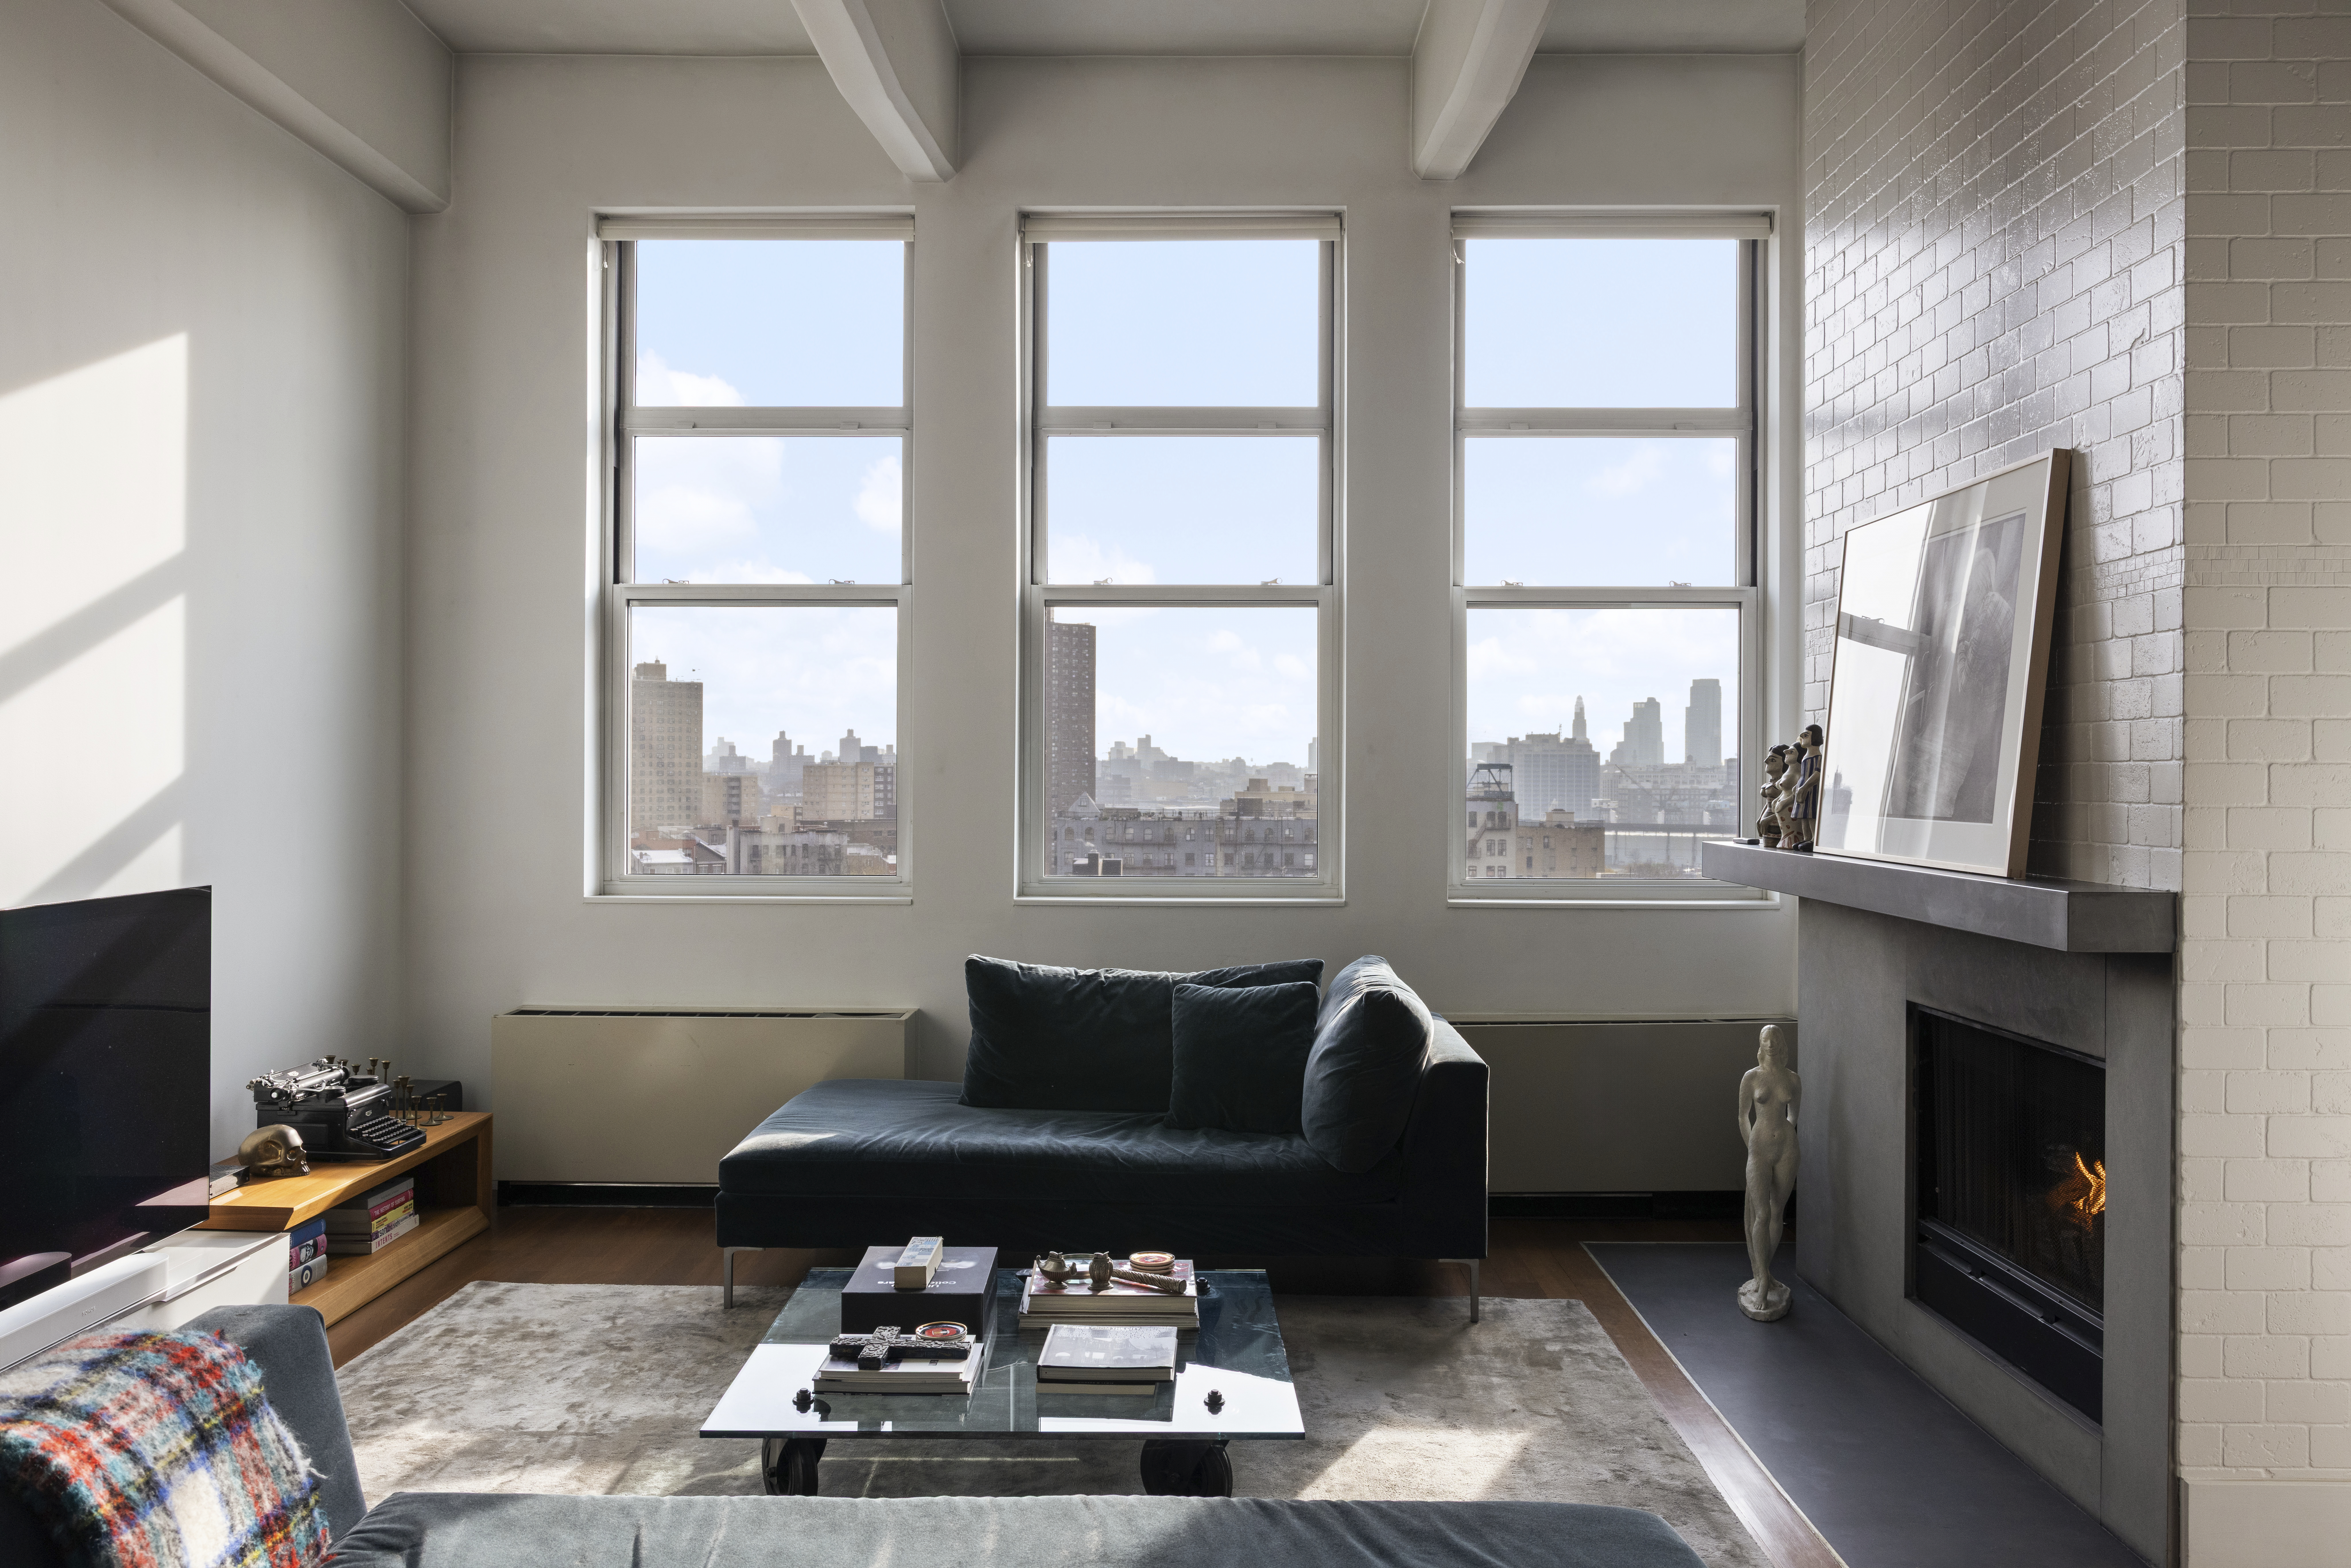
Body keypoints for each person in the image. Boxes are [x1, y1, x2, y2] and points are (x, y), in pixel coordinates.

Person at [1737, 1024, 1801, 1321]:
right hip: (1759, 1150)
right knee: (1761, 1214)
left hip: (1787, 1148)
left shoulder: (1792, 1079)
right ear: (1760, 1044)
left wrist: (1787, 1138)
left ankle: (1765, 1273)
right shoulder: (1751, 1078)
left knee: (1778, 1213)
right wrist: (1752, 1147)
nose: (1772, 1043)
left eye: (1776, 1038)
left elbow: (1793, 1116)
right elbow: (1742, 1116)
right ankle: (1762, 1278)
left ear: (1782, 1043)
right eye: (1766, 1038)